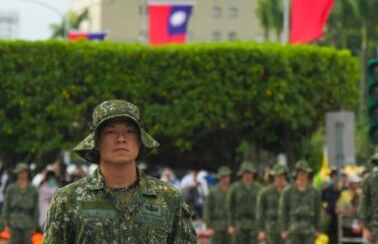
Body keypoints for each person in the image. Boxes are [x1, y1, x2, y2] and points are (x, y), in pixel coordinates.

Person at [43, 99, 196, 243]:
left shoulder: (169, 198)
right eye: (110, 132)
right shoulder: (68, 200)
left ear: (140, 140)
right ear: (95, 142)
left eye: (129, 131)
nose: (121, 138)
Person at [279, 160, 321, 244]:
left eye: (305, 173)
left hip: (309, 229)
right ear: (296, 174)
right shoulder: (288, 191)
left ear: (308, 174)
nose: (303, 175)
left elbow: (318, 211)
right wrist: (284, 229)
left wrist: (318, 229)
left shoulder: (314, 192)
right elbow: (283, 211)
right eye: (301, 173)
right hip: (293, 229)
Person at [359, 143, 378, 244]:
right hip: (376, 226)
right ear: (377, 159)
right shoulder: (369, 179)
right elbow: (363, 204)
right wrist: (365, 228)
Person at [1, 162, 39, 244]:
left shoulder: (33, 189)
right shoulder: (11, 189)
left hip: (28, 223)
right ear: (17, 174)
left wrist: (35, 225)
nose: (22, 175)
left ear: (27, 173)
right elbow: (6, 207)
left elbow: (36, 209)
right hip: (13, 223)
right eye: (20, 173)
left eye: (24, 172)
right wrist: (5, 223)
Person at [226, 161, 261, 244]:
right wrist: (230, 224)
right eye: (246, 173)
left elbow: (262, 208)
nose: (248, 175)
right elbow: (229, 207)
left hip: (254, 223)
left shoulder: (259, 188)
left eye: (250, 173)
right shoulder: (235, 188)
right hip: (239, 222)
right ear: (242, 174)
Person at [256, 164, 288, 244]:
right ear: (273, 177)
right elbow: (260, 212)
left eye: (281, 176)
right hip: (270, 229)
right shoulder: (265, 193)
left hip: (287, 229)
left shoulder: (290, 192)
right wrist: (261, 230)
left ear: (285, 177)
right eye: (277, 176)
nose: (279, 179)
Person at [203, 166, 232, 244]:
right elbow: (207, 209)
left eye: (227, 176)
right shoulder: (213, 192)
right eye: (223, 176)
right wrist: (209, 226)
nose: (225, 178)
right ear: (219, 177)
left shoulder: (233, 191)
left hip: (230, 226)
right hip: (216, 227)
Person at [336, 173, 362, 244]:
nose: (357, 185)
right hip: (347, 225)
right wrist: (349, 211)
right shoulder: (344, 194)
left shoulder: (361, 194)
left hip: (358, 225)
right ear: (351, 184)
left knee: (359, 241)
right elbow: (338, 210)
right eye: (355, 183)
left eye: (358, 183)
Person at [321, 167, 341, 244]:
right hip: (328, 216)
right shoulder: (326, 190)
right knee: (328, 236)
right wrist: (323, 210)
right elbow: (320, 200)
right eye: (332, 176)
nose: (334, 178)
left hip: (339, 217)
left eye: (335, 176)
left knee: (338, 236)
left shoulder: (342, 190)